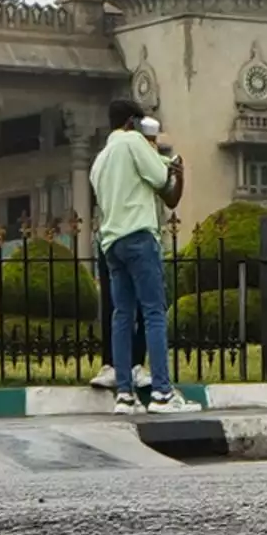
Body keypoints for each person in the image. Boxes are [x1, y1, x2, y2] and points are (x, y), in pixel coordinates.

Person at [90, 113, 180, 406]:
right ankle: (162, 392)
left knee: (122, 315)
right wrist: (170, 163)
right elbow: (162, 179)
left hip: (111, 243)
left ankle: (125, 394)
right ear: (131, 122)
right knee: (154, 313)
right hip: (139, 237)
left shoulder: (100, 159)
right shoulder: (133, 142)